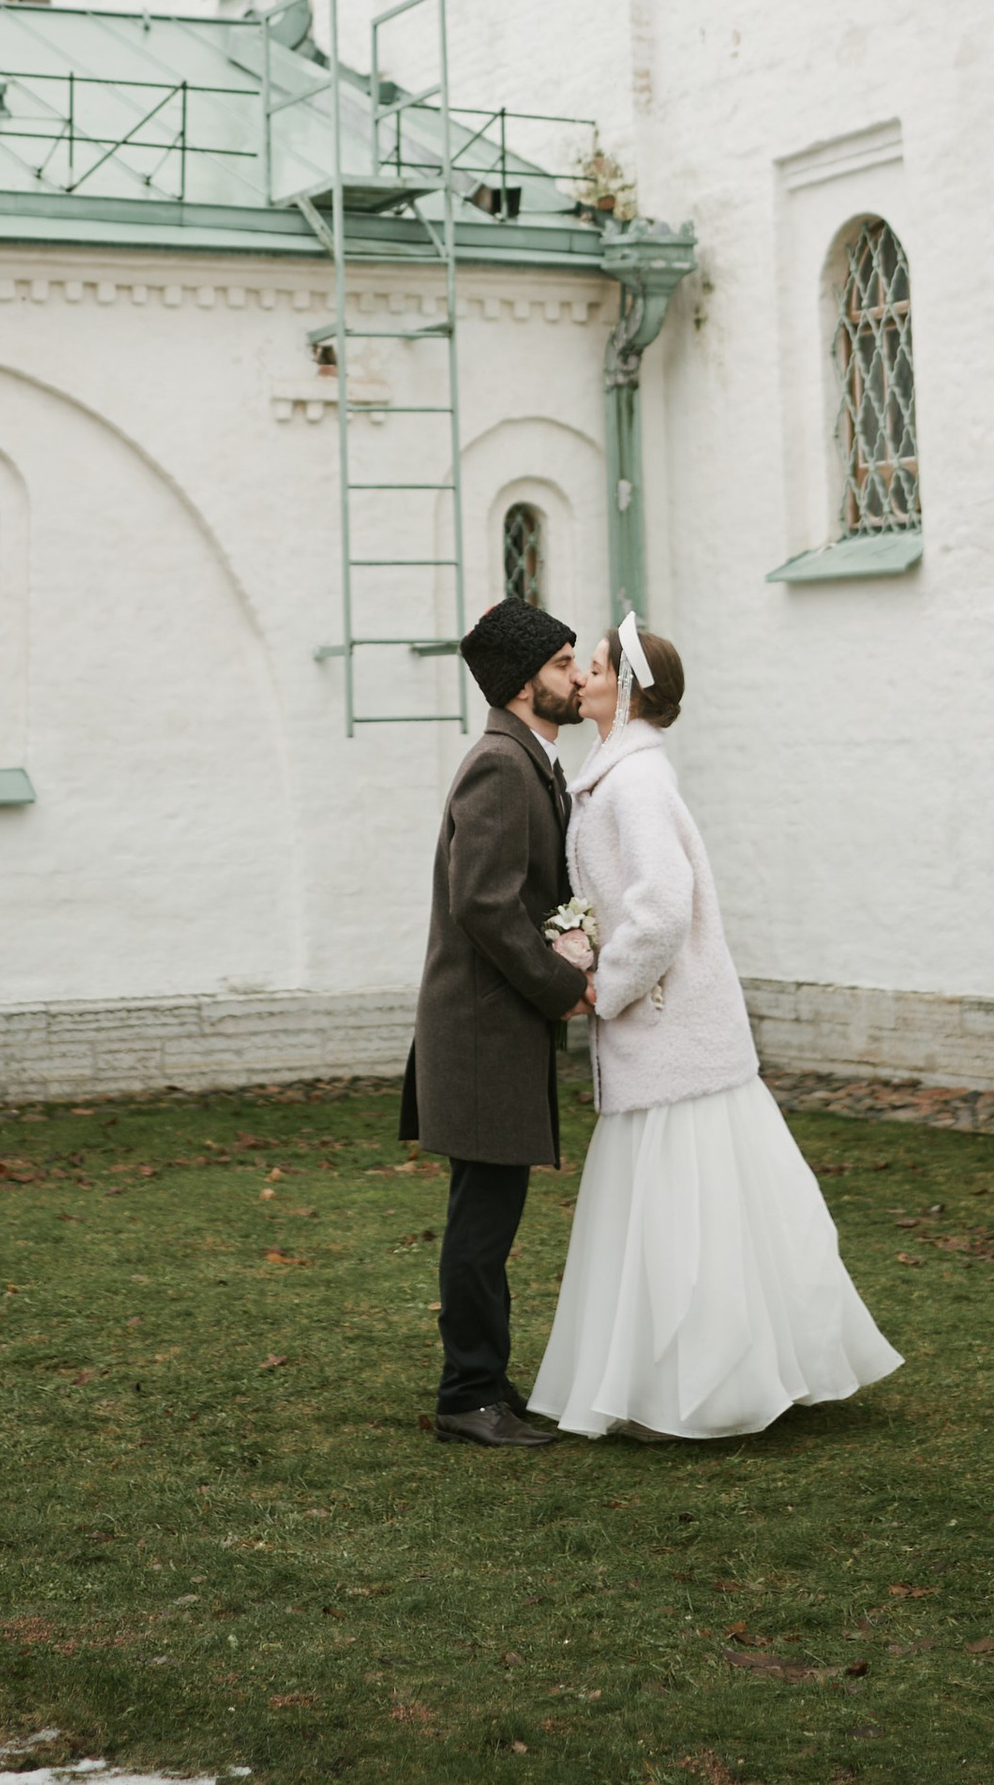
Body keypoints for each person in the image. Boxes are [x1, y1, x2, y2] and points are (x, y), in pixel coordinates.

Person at [526, 613, 903, 1441]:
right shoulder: (619, 776)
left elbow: (661, 909)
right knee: (673, 1214)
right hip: (661, 1039)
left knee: (688, 1216)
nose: (579, 677)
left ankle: (703, 1387)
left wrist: (604, 988)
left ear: (623, 690)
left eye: (591, 666)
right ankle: (669, 1380)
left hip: (670, 1034)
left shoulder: (634, 783)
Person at [400, 597, 593, 1448]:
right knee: (483, 1225)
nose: (576, 677)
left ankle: (486, 1383)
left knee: (491, 1216)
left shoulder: (534, 761)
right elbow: (483, 902)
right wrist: (560, 983)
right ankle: (467, 1396)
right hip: (481, 1035)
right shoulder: (501, 766)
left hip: (498, 1031)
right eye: (560, 665)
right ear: (523, 684)